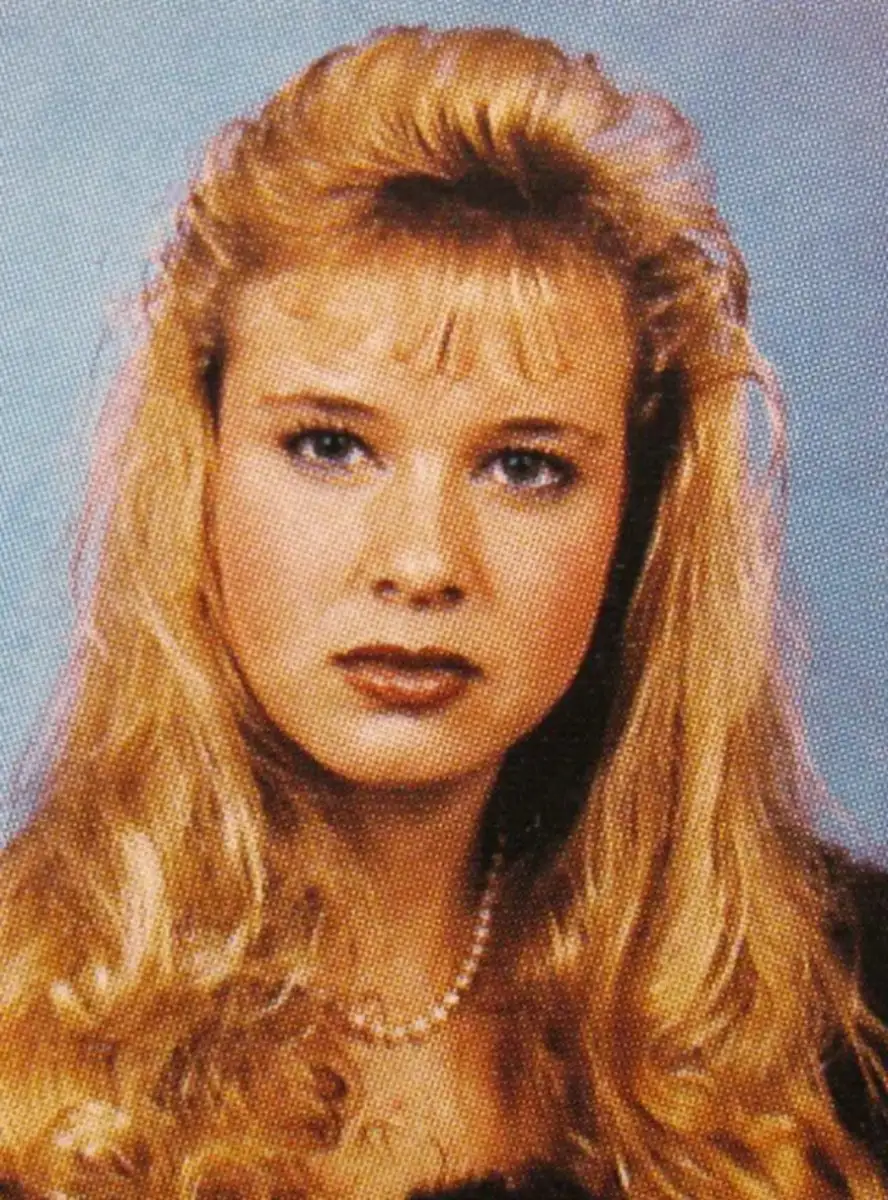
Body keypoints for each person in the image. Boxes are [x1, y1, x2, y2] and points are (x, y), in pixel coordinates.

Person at [0, 23, 884, 1200]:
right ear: (200, 469)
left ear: (636, 518)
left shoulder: (843, 1014)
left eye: (524, 467)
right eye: (329, 446)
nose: (422, 564)